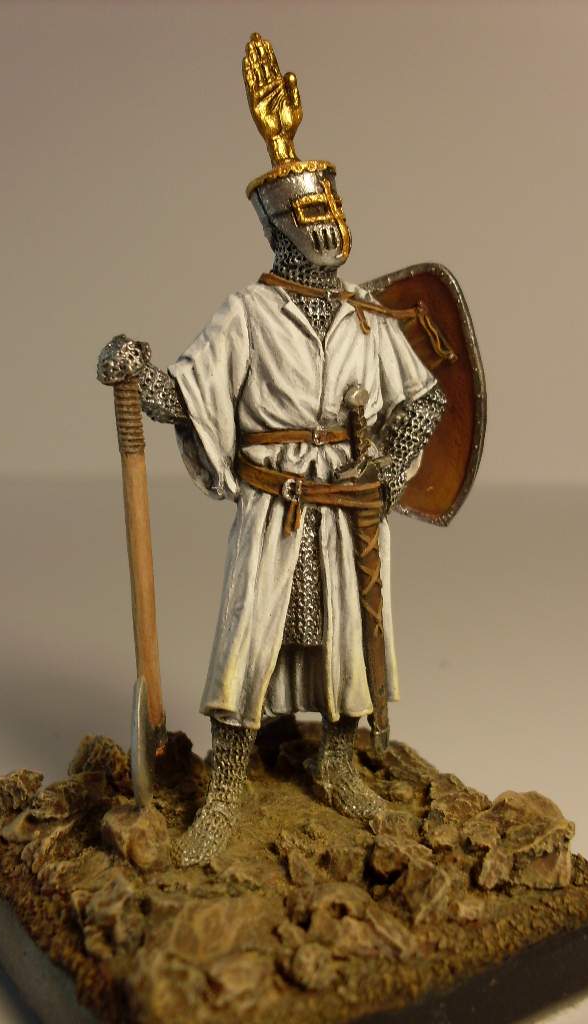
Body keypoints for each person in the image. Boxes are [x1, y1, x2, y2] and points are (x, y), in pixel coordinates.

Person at [97, 35, 446, 866]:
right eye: (311, 216)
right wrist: (137, 370)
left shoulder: (367, 316)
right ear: (280, 228)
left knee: (348, 643)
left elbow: (427, 398)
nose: (328, 225)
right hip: (276, 504)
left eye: (333, 210)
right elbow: (186, 394)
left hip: (348, 509)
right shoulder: (247, 314)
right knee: (250, 640)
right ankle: (224, 785)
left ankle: (337, 763)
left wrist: (389, 472)